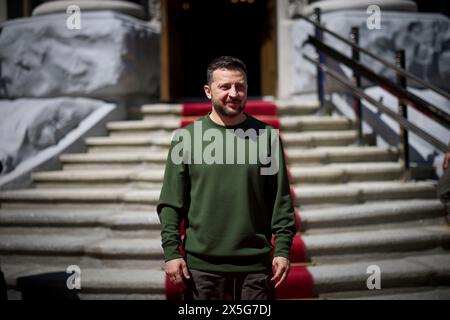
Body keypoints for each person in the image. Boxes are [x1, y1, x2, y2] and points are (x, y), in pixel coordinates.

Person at [157, 56, 296, 300]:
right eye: (225, 87)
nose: (234, 93)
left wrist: (282, 249)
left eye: (240, 86)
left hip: (256, 269)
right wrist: (172, 253)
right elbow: (170, 203)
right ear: (208, 91)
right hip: (201, 270)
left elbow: (280, 201)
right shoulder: (186, 138)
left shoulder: (267, 138)